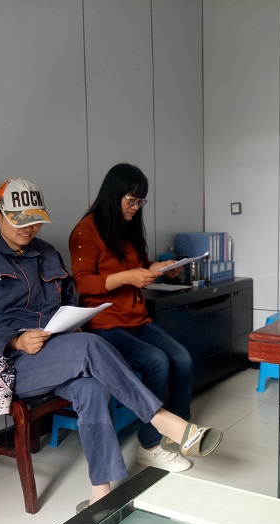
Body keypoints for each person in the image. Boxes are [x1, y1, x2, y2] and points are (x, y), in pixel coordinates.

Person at [0, 178, 222, 512]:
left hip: (55, 352)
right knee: (91, 345)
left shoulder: (46, 253)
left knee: (92, 387)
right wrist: (15, 339)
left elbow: (68, 300)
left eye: (35, 220)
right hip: (8, 366)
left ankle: (100, 493)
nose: (29, 228)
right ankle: (163, 420)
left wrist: (72, 320)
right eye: (20, 221)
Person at [70, 163, 196, 473]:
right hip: (104, 325)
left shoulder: (127, 227)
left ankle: (178, 431)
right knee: (157, 362)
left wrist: (160, 269)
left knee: (182, 358)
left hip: (136, 319)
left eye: (141, 201)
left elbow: (139, 265)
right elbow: (83, 283)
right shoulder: (85, 231)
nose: (136, 207)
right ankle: (149, 445)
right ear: (113, 194)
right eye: (132, 200)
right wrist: (128, 277)